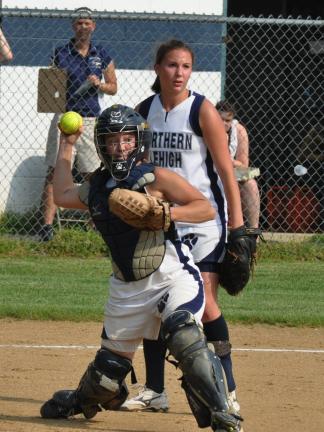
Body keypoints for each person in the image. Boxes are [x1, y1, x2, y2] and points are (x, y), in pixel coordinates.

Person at [39, 104, 242, 432]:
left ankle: (224, 415)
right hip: (127, 290)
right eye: (111, 141)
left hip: (171, 276)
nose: (119, 147)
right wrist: (68, 144)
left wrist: (166, 213)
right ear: (102, 146)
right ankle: (81, 398)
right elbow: (62, 194)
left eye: (127, 139)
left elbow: (204, 208)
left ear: (139, 141)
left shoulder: (155, 177)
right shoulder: (98, 186)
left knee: (184, 334)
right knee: (106, 376)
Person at [121, 40, 245, 422]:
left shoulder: (202, 109)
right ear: (157, 68)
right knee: (156, 300)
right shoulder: (146, 112)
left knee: (205, 305)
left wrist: (238, 226)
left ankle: (228, 389)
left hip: (204, 219)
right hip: (164, 219)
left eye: (187, 66)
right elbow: (141, 169)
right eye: (172, 65)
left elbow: (226, 171)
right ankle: (156, 391)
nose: (179, 73)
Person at [39, 7, 117, 241]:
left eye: (87, 23)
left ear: (93, 26)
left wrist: (99, 84)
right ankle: (46, 227)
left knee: (92, 174)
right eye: (79, 23)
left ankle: (95, 224)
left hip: (90, 118)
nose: (83, 26)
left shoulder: (101, 53)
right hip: (64, 117)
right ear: (73, 26)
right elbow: (50, 86)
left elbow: (113, 87)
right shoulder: (61, 52)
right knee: (54, 171)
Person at [216, 100, 261, 229]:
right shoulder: (207, 126)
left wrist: (227, 160)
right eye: (220, 119)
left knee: (251, 184)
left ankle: (253, 232)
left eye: (227, 120)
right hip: (209, 171)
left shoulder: (239, 131)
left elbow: (244, 166)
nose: (224, 124)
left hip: (230, 172)